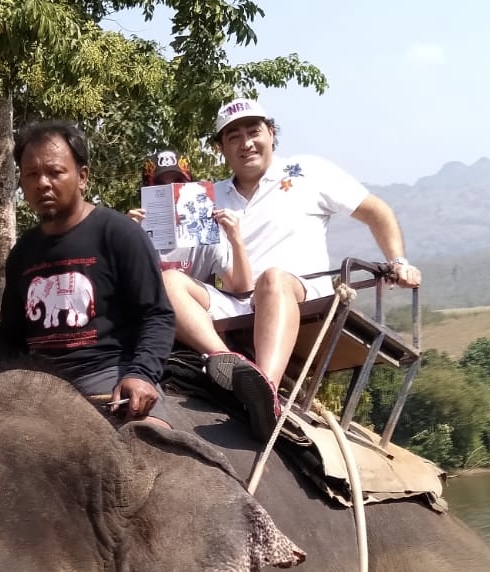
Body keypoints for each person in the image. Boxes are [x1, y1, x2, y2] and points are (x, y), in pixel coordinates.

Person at [163, 97, 423, 437]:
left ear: (271, 133)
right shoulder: (208, 196)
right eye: (233, 137)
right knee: (168, 280)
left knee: (272, 279)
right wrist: (139, 229)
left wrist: (398, 262)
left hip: (297, 289)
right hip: (238, 296)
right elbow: (185, 262)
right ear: (221, 149)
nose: (246, 143)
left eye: (254, 131)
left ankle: (264, 391)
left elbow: (375, 211)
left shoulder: (308, 171)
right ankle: (230, 364)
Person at [0, 121, 175, 425]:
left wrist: (141, 374)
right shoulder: (22, 253)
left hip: (108, 380)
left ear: (82, 177)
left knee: (154, 447)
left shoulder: (120, 234)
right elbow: (10, 339)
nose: (42, 183)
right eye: (31, 174)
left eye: (55, 172)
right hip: (37, 388)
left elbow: (157, 315)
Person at [128, 149, 254, 295]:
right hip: (150, 314)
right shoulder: (134, 235)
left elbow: (242, 289)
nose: (170, 190)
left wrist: (236, 239)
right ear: (146, 190)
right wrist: (121, 242)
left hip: (196, 311)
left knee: (172, 281)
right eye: (160, 184)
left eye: (178, 182)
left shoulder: (205, 233)